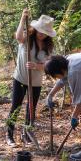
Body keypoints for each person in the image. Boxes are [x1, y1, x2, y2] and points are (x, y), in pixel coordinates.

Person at [6, 9, 56, 147]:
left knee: (31, 108)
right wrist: (22, 18)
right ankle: (9, 136)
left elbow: (48, 65)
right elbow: (18, 37)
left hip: (36, 82)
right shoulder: (27, 38)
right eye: (40, 31)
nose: (41, 34)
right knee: (15, 106)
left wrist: (36, 66)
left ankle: (27, 134)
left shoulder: (48, 46)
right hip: (20, 78)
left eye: (44, 33)